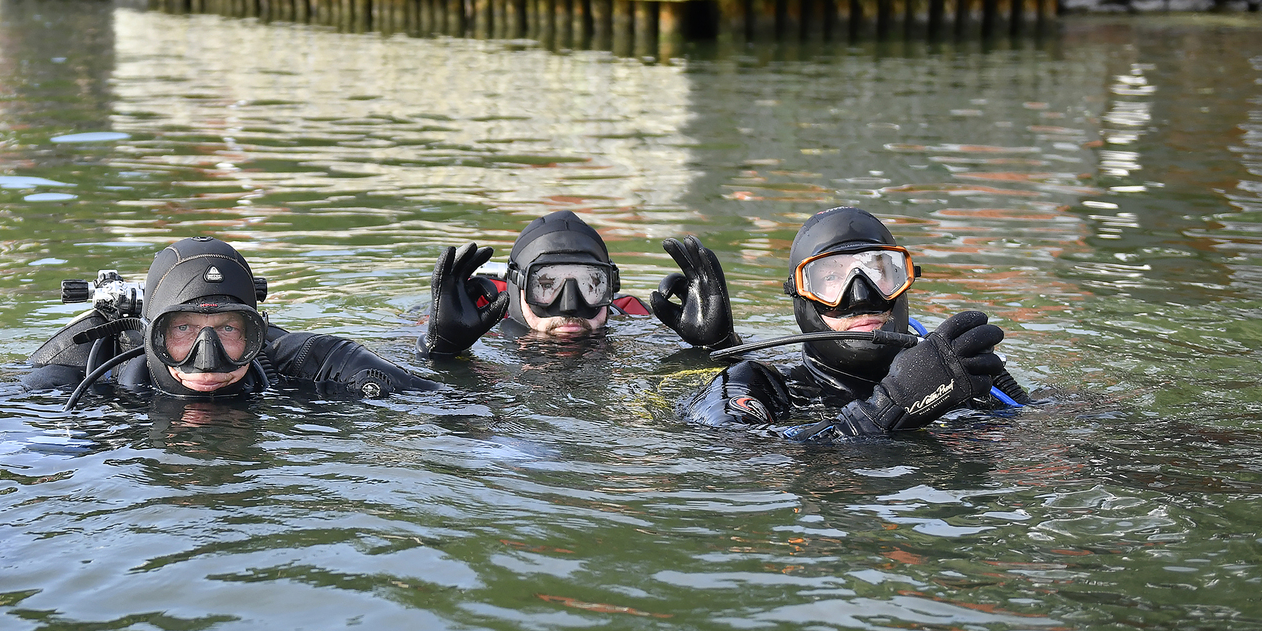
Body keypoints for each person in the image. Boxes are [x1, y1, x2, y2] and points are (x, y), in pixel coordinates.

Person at [672, 207, 1029, 437]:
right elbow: (729, 454)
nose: (860, 296)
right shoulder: (765, 386)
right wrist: (888, 409)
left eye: (880, 272)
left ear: (905, 282)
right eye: (829, 279)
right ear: (800, 296)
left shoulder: (949, 376)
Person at [22, 236, 443, 403]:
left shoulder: (290, 361)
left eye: (228, 329)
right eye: (183, 329)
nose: (209, 359)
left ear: (255, 331)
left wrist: (441, 348)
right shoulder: (72, 378)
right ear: (151, 333)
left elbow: (439, 405)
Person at [417, 210, 667, 358]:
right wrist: (441, 351)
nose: (569, 306)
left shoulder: (637, 322)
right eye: (547, 285)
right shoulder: (464, 318)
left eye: (589, 284)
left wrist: (704, 348)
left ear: (610, 287)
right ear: (517, 287)